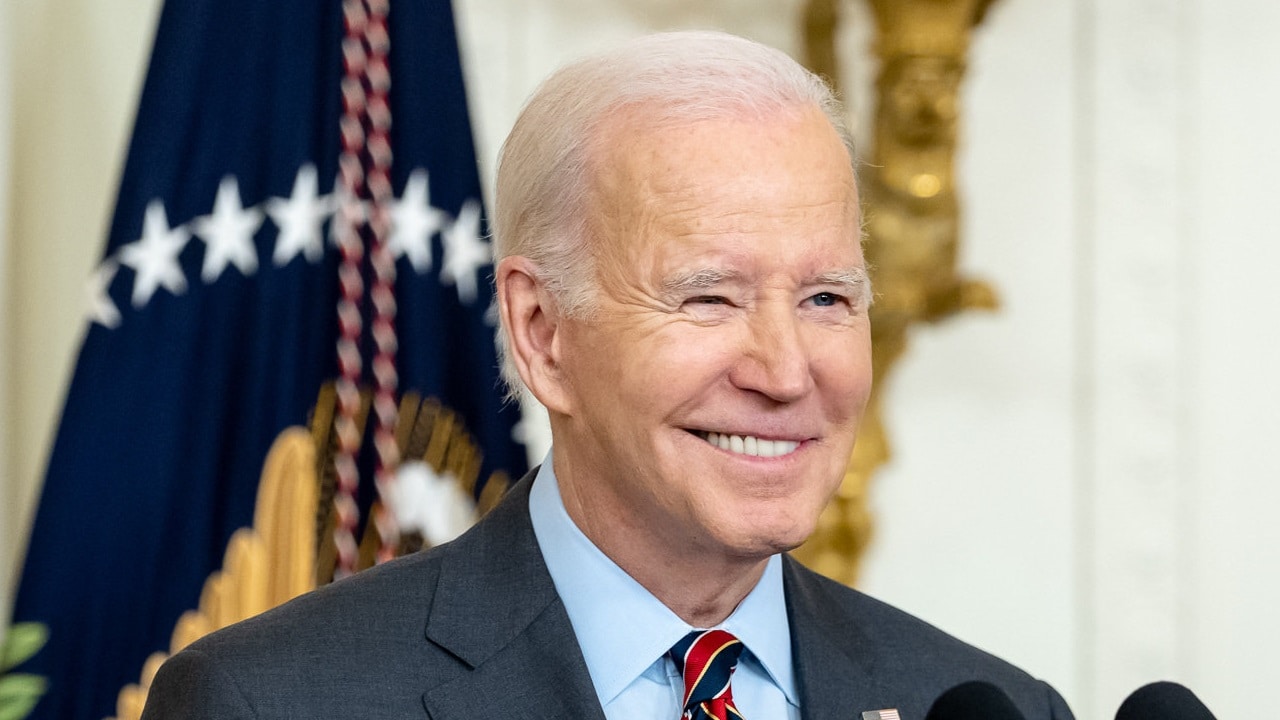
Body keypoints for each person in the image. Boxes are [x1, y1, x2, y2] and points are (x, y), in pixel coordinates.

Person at [143, 30, 1074, 720]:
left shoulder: (988, 704)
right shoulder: (271, 702)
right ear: (543, 334)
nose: (788, 372)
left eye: (827, 298)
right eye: (709, 298)